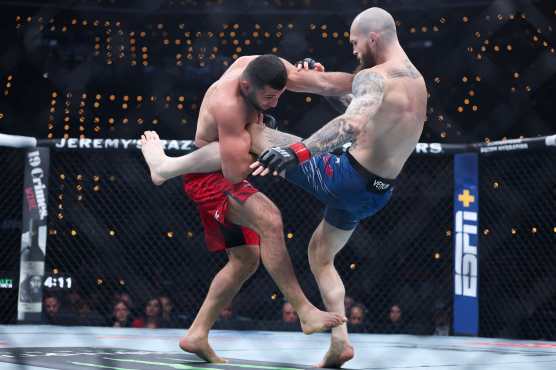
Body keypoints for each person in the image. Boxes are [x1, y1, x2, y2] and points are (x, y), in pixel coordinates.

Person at [141, 7, 427, 367]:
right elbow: (354, 103)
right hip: (378, 192)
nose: (353, 51)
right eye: (271, 96)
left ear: (372, 38)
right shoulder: (415, 80)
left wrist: (298, 151)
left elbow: (352, 120)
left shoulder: (372, 76)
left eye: (354, 43)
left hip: (345, 178)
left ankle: (166, 166)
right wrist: (317, 89)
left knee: (257, 139)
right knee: (319, 255)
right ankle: (339, 343)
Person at [142, 54, 350, 363]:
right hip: (210, 176)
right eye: (268, 97)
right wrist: (264, 144)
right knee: (270, 219)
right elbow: (234, 172)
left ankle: (197, 334)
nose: (275, 103)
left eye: (279, 95)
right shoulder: (230, 106)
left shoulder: (261, 67)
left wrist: (365, 84)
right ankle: (304, 311)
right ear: (246, 86)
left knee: (245, 260)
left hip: (221, 164)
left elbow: (319, 83)